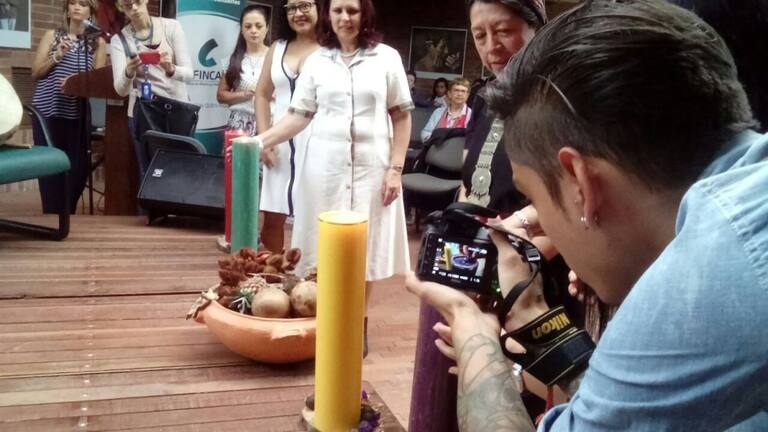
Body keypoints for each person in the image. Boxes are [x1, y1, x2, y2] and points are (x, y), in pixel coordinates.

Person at [407, 1, 768, 430]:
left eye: (533, 200)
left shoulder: (700, 287)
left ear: (581, 182)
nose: (534, 222)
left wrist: (473, 335)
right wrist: (538, 321)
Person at [255, 0, 412, 355]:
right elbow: (299, 115)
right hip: (323, 169)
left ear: (364, 14)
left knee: (366, 246)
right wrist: (260, 140)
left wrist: (395, 169)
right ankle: (325, 319)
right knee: (321, 244)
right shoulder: (317, 61)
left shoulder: (387, 58)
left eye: (352, 11)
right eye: (338, 10)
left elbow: (401, 116)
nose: (345, 18)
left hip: (373, 168)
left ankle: (358, 322)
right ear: (329, 15)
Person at [459, 0, 545, 215]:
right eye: (480, 35)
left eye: (504, 31)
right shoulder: (483, 98)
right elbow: (467, 181)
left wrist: (517, 227)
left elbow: (575, 199)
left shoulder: (560, 100)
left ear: (537, 30)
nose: (491, 47)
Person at [254, 0, 320, 254]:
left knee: (314, 216)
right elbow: (262, 94)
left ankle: (310, 273)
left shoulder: (332, 49)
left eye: (304, 6)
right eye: (291, 8)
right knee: (272, 216)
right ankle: (274, 271)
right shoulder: (277, 48)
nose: (297, 13)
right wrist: (264, 140)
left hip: (317, 143)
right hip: (279, 142)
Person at [30, 0, 106, 214]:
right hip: (47, 110)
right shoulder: (52, 36)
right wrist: (57, 56)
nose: (77, 7)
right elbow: (35, 73)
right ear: (67, 9)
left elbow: (97, 83)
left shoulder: (98, 43)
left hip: (77, 113)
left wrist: (76, 84)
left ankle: (66, 211)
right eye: (72, 3)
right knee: (48, 165)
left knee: (78, 167)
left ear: (91, 11)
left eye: (83, 4)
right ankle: (51, 214)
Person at [111, 0, 192, 181]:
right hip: (144, 115)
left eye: (137, 2)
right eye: (127, 5)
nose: (134, 8)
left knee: (180, 172)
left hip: (177, 111)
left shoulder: (171, 27)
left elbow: (189, 73)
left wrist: (171, 68)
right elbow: (121, 90)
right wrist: (128, 72)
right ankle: (151, 201)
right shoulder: (120, 40)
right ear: (120, 7)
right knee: (149, 174)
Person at [217, 5, 270, 137]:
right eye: (248, 26)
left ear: (267, 28)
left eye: (259, 26)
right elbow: (221, 96)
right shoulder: (232, 60)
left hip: (269, 122)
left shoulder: (276, 58)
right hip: (239, 124)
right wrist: (245, 94)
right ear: (241, 29)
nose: (253, 31)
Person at [421, 77, 472, 142]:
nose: (459, 94)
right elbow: (425, 132)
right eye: (456, 90)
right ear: (449, 93)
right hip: (437, 147)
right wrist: (432, 141)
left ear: (467, 95)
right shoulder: (438, 112)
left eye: (463, 91)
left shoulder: (472, 116)